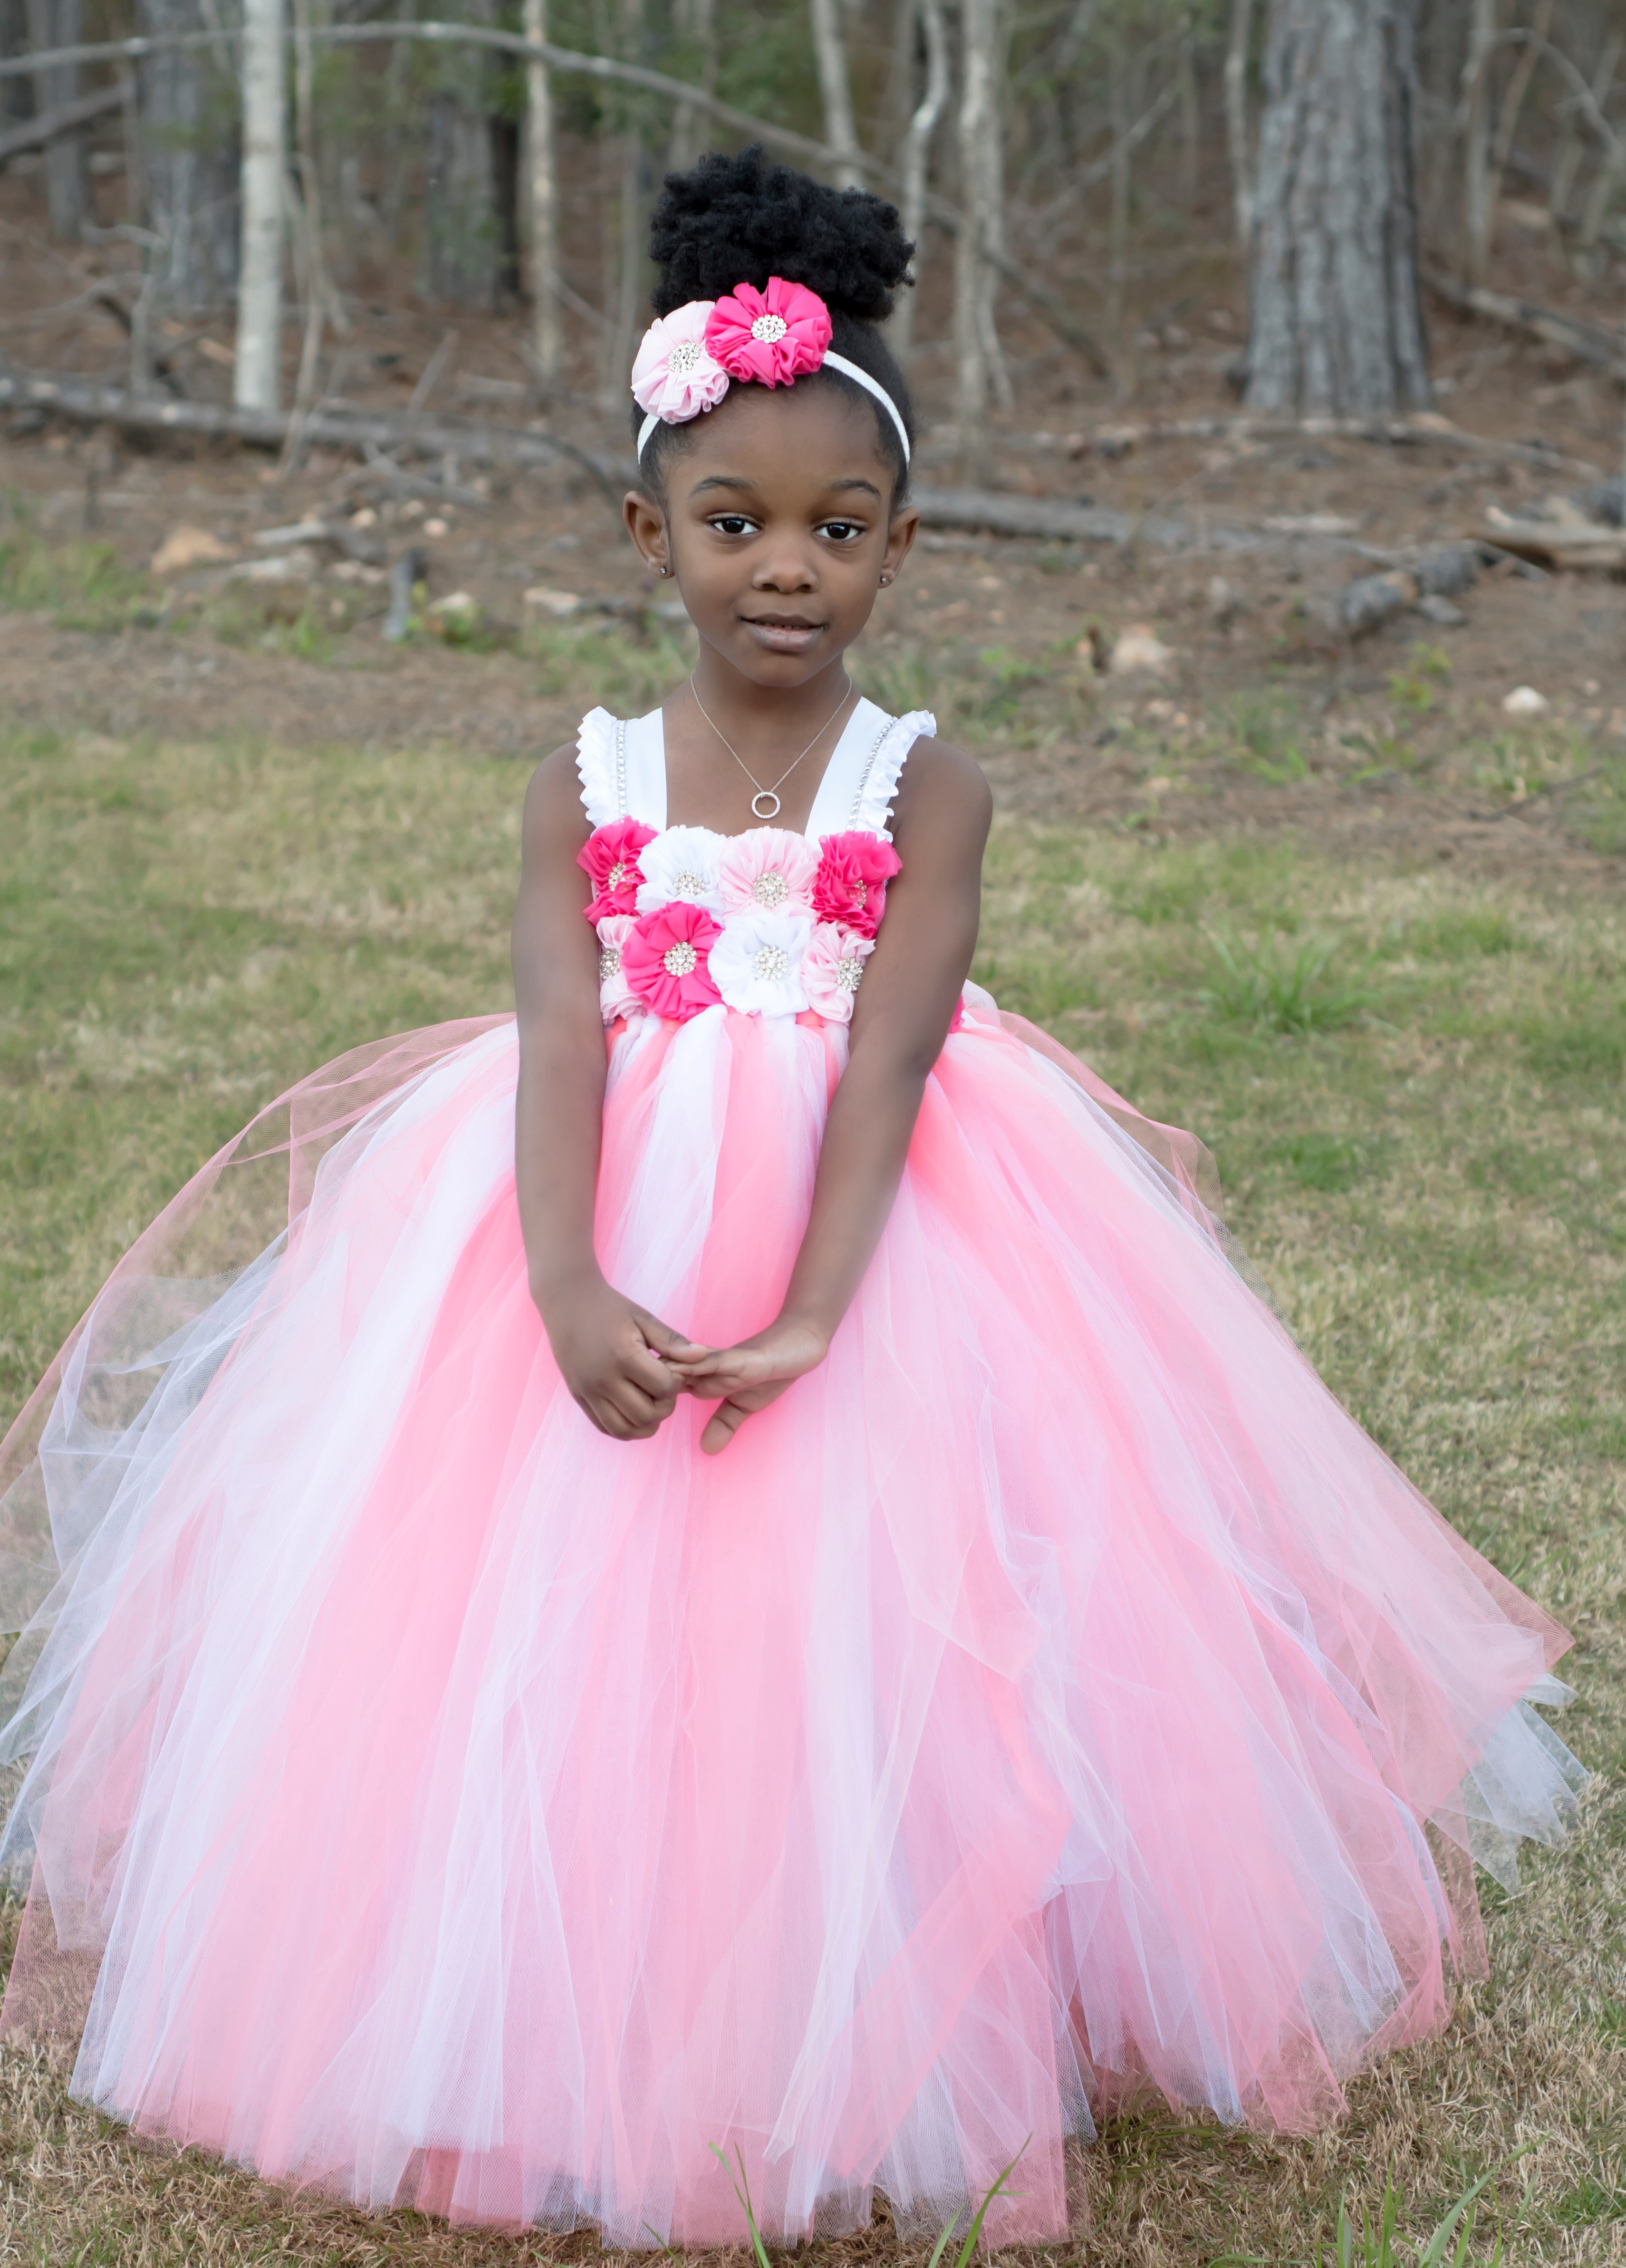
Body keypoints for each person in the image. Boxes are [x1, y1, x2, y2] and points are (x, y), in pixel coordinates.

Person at [0, 149, 1587, 2251]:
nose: (785, 569)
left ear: (902, 549)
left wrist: (828, 1303)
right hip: (606, 1212)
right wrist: (566, 1274)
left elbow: (901, 1058)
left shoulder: (925, 787)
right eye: (734, 522)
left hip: (881, 1226)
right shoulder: (583, 777)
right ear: (644, 531)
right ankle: (558, 2000)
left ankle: (918, 1984)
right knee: (542, 1614)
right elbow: (558, 1040)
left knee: (882, 1616)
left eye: (837, 531)